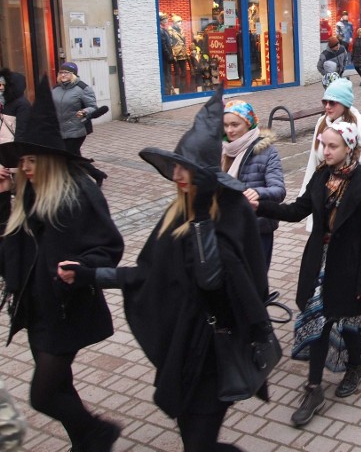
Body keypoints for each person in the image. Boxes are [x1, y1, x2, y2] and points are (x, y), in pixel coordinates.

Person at [62, 89, 272, 451]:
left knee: (198, 442)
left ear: (204, 179)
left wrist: (203, 219)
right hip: (183, 349)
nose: (176, 176)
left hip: (215, 353)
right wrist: (90, 276)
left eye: (185, 170)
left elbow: (214, 282)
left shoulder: (230, 218)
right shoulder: (176, 215)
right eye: (175, 166)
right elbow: (147, 276)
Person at [0, 77, 124, 452]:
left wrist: (80, 268)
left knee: (42, 395)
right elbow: (7, 253)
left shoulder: (78, 191)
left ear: (51, 159)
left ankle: (98, 433)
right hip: (37, 308)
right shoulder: (26, 194)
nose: (25, 167)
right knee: (60, 385)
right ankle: (85, 442)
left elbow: (110, 247)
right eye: (20, 162)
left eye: (31, 160)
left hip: (68, 308)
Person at [257, 121, 361, 427]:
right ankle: (313, 389)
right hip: (320, 263)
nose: (325, 151)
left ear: (349, 148)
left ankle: (354, 367)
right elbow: (298, 210)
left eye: (333, 146)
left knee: (350, 321)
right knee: (319, 322)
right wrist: (261, 205)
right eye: (323, 145)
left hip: (349, 267)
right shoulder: (321, 176)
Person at [221, 100, 285, 271]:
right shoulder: (223, 150)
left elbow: (278, 190)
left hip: (257, 230)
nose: (229, 130)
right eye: (226, 125)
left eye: (235, 124)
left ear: (248, 123)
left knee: (255, 283)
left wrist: (256, 192)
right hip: (227, 228)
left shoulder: (266, 150)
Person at [300, 79, 361, 209]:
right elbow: (313, 161)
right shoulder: (321, 122)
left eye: (332, 102)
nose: (327, 106)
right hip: (322, 189)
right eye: (325, 102)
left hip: (348, 192)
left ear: (345, 104)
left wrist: (353, 151)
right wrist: (305, 194)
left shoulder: (359, 123)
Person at [51, 62, 97, 156]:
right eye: (61, 72)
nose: (63, 75)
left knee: (68, 155)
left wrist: (85, 112)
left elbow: (93, 107)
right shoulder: (55, 89)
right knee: (72, 156)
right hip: (59, 130)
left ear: (73, 74)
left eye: (66, 72)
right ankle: (82, 169)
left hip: (76, 130)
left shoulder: (83, 88)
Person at [0, 69, 31, 146]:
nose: (1, 87)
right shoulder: (4, 101)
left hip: (10, 148)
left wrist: (17, 149)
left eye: (3, 84)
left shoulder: (23, 104)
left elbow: (22, 131)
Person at [159, 13, 175, 94]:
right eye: (164, 20)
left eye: (166, 19)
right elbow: (164, 45)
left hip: (167, 56)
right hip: (165, 57)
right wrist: (168, 55)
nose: (166, 21)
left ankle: (169, 89)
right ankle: (167, 90)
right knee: (166, 73)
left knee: (168, 73)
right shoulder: (161, 30)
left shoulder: (164, 30)